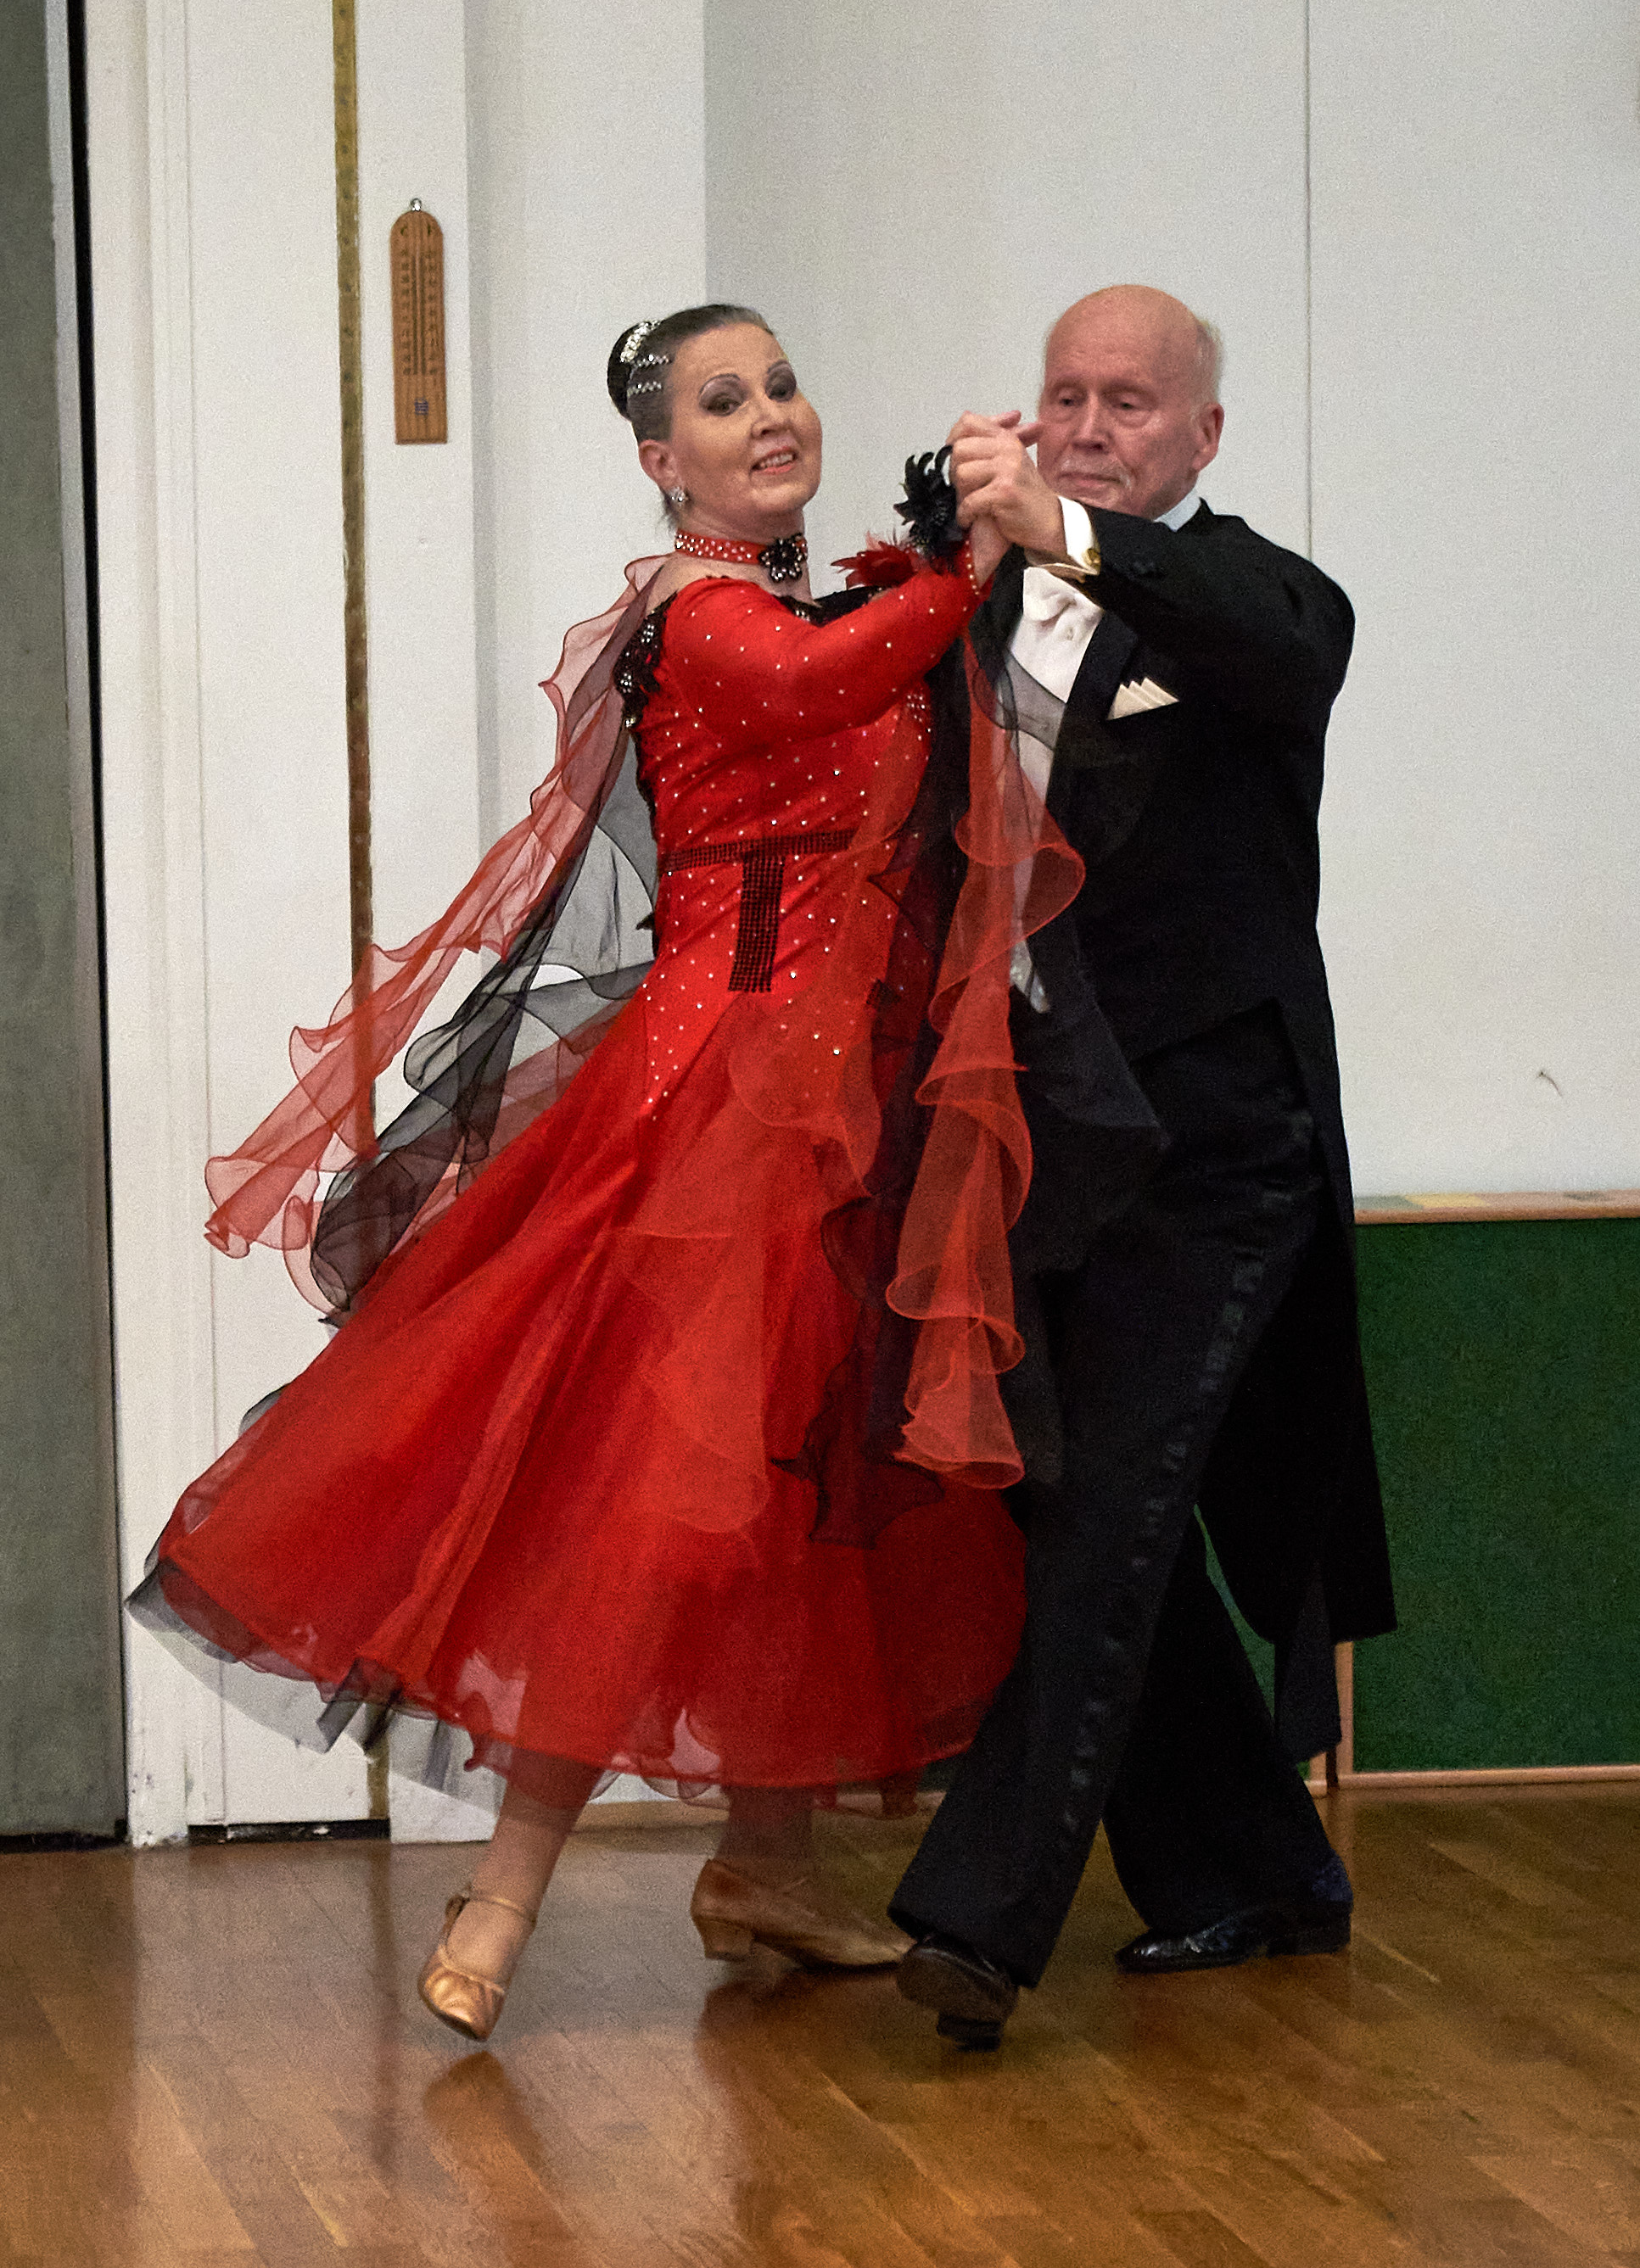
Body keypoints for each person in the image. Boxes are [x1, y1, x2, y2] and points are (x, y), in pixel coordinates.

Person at [131, 304, 1077, 2043]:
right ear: (663, 460)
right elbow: (811, 688)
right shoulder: (698, 614)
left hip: (840, 1113)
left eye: (781, 383)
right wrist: (973, 561)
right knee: (645, 1503)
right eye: (723, 401)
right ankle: (500, 1905)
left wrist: (981, 560)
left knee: (801, 1486)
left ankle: (765, 1866)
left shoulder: (832, 601)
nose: (769, 415)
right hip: (710, 1116)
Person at [891, 284, 1396, 2047]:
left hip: (1219, 1146)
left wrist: (1077, 535)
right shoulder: (987, 598)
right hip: (1043, 1139)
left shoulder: (1256, 594)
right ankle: (1253, 1870)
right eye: (1065, 396)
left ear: (1201, 434)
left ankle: (976, 1926)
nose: (1091, 425)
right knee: (1064, 1502)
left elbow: (1277, 644)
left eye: (1128, 401)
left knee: (1116, 1498)